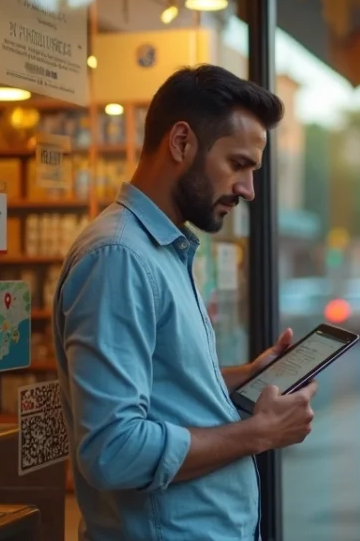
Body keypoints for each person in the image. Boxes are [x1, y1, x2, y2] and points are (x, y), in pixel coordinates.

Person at [53, 65, 316, 540]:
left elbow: (163, 388)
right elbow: (112, 451)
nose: (248, 189)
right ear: (181, 143)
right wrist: (259, 433)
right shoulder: (119, 257)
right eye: (238, 164)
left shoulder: (160, 249)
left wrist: (247, 376)